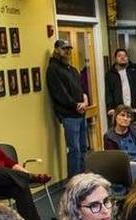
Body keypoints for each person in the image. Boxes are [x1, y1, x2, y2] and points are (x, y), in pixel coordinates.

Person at [46, 39, 88, 178]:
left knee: (83, 148)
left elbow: (80, 88)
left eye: (69, 49)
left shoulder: (72, 69)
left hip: (81, 114)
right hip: (69, 115)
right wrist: (76, 105)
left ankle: (83, 179)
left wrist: (85, 100)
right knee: (74, 150)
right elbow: (60, 94)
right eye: (64, 49)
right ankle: (73, 182)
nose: (67, 52)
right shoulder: (53, 69)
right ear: (57, 50)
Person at [104, 48, 136, 118]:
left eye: (125, 56)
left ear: (128, 58)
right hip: (120, 111)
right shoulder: (110, 74)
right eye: (119, 56)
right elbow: (108, 92)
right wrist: (110, 108)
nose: (122, 58)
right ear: (115, 59)